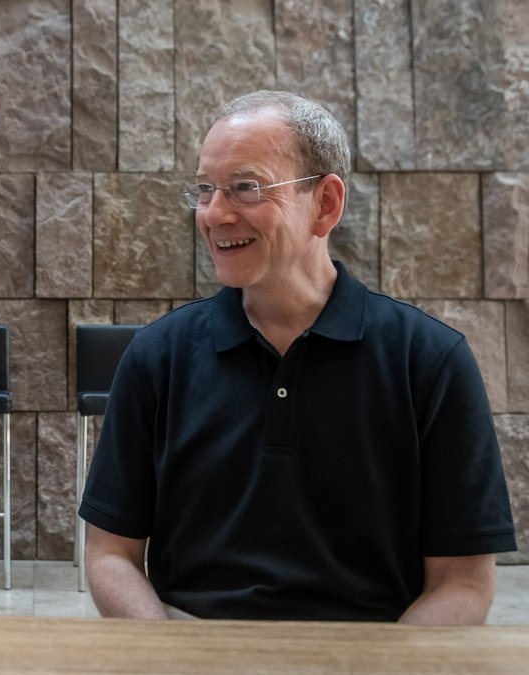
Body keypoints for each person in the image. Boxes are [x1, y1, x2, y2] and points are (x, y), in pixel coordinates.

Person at [80, 90, 517, 624]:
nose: (214, 214)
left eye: (245, 188)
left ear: (326, 204)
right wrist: (169, 655)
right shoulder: (157, 356)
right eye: (204, 189)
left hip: (371, 658)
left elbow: (463, 581)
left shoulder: (429, 361)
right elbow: (110, 554)